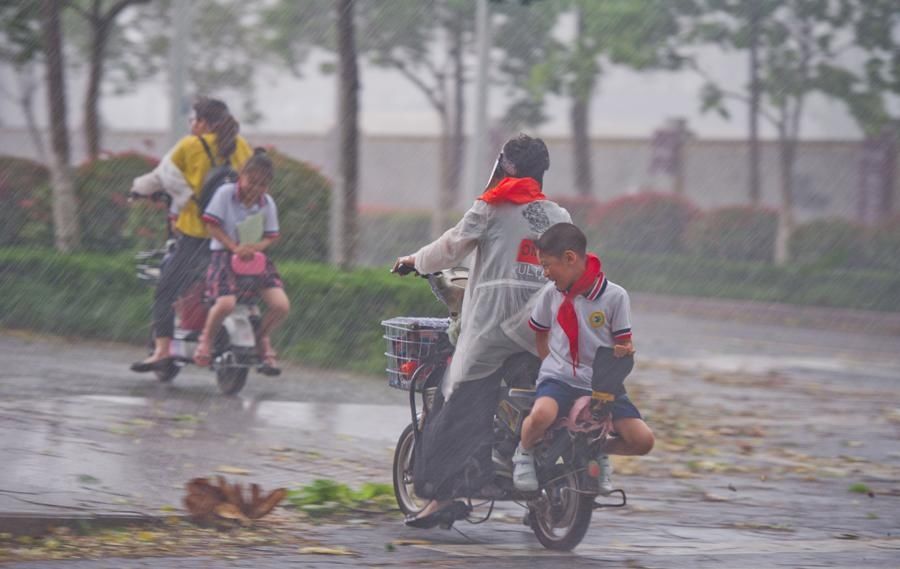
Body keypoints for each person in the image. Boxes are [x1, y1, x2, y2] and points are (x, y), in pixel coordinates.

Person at [394, 134, 571, 528]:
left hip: (492, 328)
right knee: (538, 395)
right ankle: (538, 489)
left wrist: (413, 260)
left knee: (457, 401)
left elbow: (450, 247)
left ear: (503, 167)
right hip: (541, 330)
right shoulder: (560, 217)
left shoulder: (492, 208)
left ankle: (443, 498)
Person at [513, 222, 654, 493]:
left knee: (642, 440)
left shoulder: (615, 296)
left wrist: (625, 351)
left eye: (547, 265)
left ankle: (595, 448)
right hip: (560, 379)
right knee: (542, 414)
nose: (545, 274)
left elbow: (624, 341)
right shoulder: (550, 295)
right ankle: (523, 452)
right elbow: (540, 333)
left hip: (602, 384)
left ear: (570, 258)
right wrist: (550, 367)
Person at [130, 97, 253, 372]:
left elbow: (159, 178)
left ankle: (161, 350)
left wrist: (137, 190)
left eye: (194, 120)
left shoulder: (189, 146)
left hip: (196, 237)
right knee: (232, 289)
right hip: (232, 238)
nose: (191, 125)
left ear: (204, 123)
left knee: (165, 290)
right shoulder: (242, 147)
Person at [193, 150, 289, 373]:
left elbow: (271, 236)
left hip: (255, 258)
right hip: (224, 256)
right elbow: (211, 225)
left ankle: (260, 338)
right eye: (251, 182)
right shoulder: (225, 194)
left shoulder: (267, 204)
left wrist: (255, 248)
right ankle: (205, 340)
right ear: (241, 176)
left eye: (262, 184)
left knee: (281, 306)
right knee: (226, 303)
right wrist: (234, 247)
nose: (255, 189)